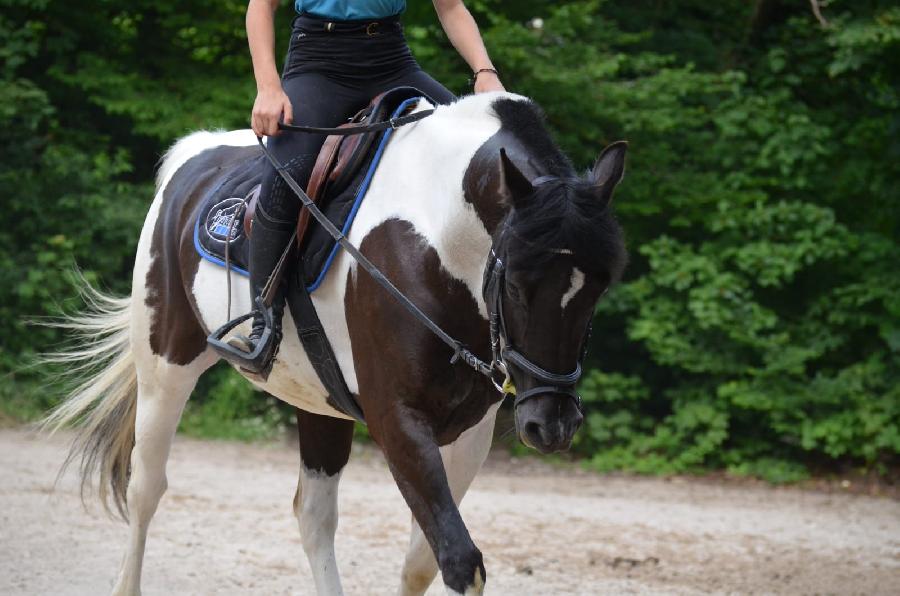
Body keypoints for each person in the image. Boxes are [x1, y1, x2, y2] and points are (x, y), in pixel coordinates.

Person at [222, 0, 505, 377]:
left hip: (391, 60)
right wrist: (269, 87)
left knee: (482, 150)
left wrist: (484, 72)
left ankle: (501, 321)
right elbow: (261, 7)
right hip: (319, 63)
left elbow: (451, 6)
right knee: (288, 172)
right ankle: (264, 321)